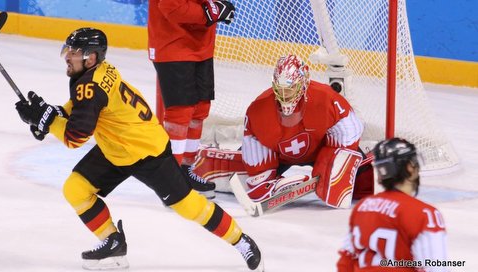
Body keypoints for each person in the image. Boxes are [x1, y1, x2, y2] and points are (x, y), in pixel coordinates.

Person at [14, 27, 263, 271]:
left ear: (90, 58)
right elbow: (81, 107)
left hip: (146, 150)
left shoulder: (90, 86)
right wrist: (52, 113)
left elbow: (75, 137)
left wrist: (46, 120)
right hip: (118, 147)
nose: (68, 56)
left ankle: (241, 240)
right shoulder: (100, 71)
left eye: (74, 52)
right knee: (76, 189)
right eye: (68, 50)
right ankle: (113, 242)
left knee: (189, 205)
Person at [190, 54, 374, 209]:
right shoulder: (259, 110)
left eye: (291, 89)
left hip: (322, 151)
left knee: (360, 178)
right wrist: (262, 179)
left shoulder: (326, 99)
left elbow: (350, 131)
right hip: (280, 157)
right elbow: (255, 153)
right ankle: (207, 161)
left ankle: (377, 165)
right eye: (281, 89)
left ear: (303, 83)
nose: (285, 96)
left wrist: (333, 168)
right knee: (251, 182)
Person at [147, 0, 236, 199]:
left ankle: (186, 171)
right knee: (180, 113)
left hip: (201, 47)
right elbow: (170, 6)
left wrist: (216, 8)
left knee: (199, 110)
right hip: (172, 46)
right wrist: (208, 13)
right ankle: (170, 179)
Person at [337, 137, 448, 271]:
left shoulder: (362, 207)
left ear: (380, 174)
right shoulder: (425, 215)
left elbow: (346, 259)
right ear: (410, 168)